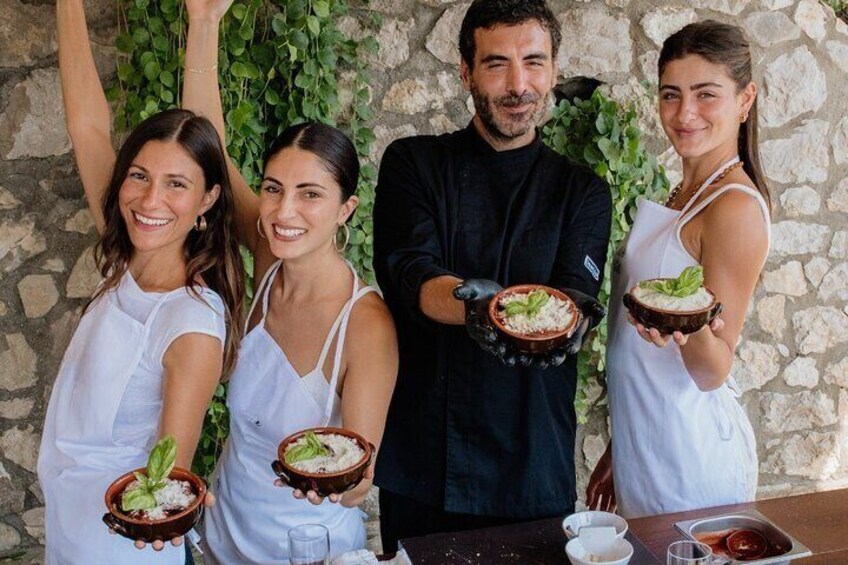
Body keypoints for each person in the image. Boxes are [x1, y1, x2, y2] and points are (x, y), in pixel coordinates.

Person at [372, 0, 612, 551]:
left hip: (532, 461)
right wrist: (474, 308)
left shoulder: (582, 191)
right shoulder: (413, 163)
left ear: (552, 70)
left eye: (534, 62)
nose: (518, 85)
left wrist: (567, 317)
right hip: (427, 461)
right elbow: (412, 272)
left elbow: (575, 294)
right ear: (466, 70)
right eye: (496, 64)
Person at [180, 1, 398, 561]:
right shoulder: (265, 249)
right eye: (274, 188)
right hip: (223, 533)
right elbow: (208, 147)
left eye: (310, 194)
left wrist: (336, 483)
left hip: (307, 549)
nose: (284, 211)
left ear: (346, 209)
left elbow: (359, 482)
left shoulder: (365, 324)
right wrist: (203, 24)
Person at [37, 3, 245, 564]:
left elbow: (168, 473)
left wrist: (156, 524)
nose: (150, 200)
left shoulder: (192, 324)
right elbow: (86, 122)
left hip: (124, 548)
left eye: (177, 184)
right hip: (69, 527)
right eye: (138, 175)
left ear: (207, 201)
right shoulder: (129, 254)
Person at [587, 20, 769, 519]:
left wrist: (685, 326)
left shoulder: (734, 208)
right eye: (671, 94)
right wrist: (619, 448)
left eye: (705, 94)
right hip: (647, 446)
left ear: (745, 100)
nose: (685, 113)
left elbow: (713, 370)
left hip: (689, 461)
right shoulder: (684, 193)